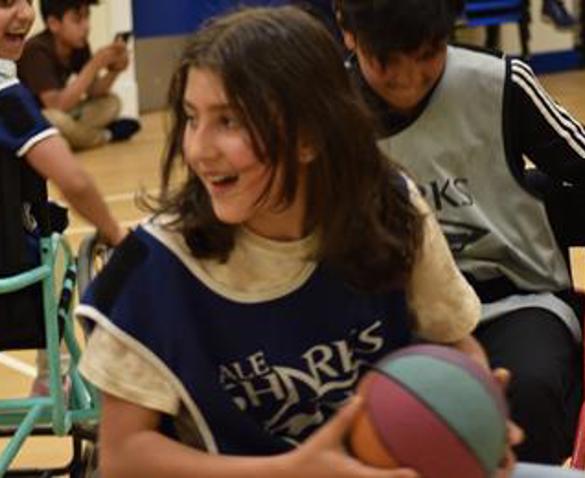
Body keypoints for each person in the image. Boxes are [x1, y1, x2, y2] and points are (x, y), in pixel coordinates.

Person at [74, 6, 525, 477]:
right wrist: (292, 470)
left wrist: (476, 416)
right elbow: (123, 456)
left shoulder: (388, 207)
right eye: (191, 118)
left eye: (229, 121)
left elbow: (454, 341)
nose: (199, 149)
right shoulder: (155, 264)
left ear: (310, 136)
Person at [335, 0, 585, 465]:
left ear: (452, 29)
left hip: (515, 299)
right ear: (347, 31)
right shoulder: (324, 109)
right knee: (361, 414)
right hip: (386, 315)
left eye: (427, 56)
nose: (408, 80)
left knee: (529, 387)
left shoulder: (500, 82)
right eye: (386, 62)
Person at [0, 0, 125, 394]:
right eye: (5, 3)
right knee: (57, 249)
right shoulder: (8, 96)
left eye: (25, 0)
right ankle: (55, 377)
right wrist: (117, 234)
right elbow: (74, 182)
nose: (22, 12)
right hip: (12, 286)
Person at [16, 0, 140, 151]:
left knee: (112, 102)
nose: (86, 26)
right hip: (35, 120)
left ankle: (73, 138)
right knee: (53, 118)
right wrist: (94, 64)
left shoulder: (78, 46)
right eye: (77, 20)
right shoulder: (36, 51)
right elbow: (56, 105)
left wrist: (114, 70)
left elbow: (93, 91)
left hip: (65, 116)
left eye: (87, 17)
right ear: (54, 23)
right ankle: (106, 135)